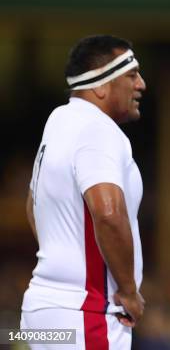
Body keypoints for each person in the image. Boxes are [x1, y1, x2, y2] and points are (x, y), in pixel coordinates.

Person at [20, 35, 146, 349]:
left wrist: (65, 252)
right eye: (131, 75)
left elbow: (32, 205)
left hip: (41, 311)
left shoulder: (58, 121)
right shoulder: (97, 128)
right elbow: (107, 212)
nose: (141, 84)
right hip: (86, 313)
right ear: (101, 85)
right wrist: (129, 290)